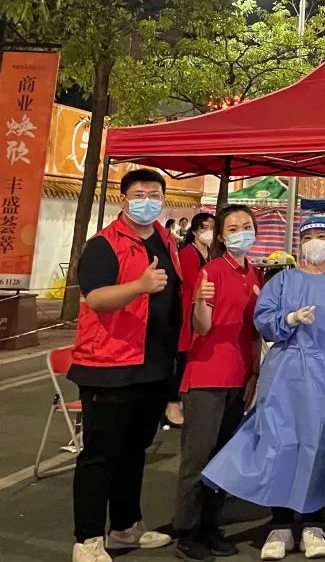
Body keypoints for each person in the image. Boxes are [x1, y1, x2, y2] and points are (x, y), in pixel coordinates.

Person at [202, 215, 325, 561]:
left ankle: (313, 523)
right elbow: (264, 320)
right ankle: (280, 523)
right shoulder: (283, 280)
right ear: (299, 243)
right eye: (308, 237)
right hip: (284, 371)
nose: (315, 242)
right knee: (278, 443)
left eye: (321, 236)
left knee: (317, 445)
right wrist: (288, 319)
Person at [69, 169, 180, 562]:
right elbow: (96, 298)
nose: (147, 201)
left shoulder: (166, 240)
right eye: (139, 194)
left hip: (152, 366)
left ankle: (125, 527)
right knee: (100, 455)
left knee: (134, 451)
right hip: (108, 365)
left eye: (155, 194)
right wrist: (139, 287)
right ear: (123, 200)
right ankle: (87, 539)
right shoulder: (103, 245)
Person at [174, 205, 262, 562]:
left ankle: (211, 527)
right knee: (198, 459)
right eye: (233, 228)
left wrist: (254, 373)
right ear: (222, 237)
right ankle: (187, 532)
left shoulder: (254, 273)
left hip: (239, 377)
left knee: (224, 459)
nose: (241, 232)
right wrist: (200, 302)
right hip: (207, 377)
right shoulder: (211, 271)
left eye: (246, 226)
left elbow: (254, 332)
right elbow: (202, 326)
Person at [168, 213, 215, 429]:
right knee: (181, 359)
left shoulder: (209, 252)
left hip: (200, 307)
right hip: (188, 309)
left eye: (212, 227)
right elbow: (191, 281)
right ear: (195, 230)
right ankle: (172, 406)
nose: (208, 231)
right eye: (204, 227)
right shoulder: (189, 252)